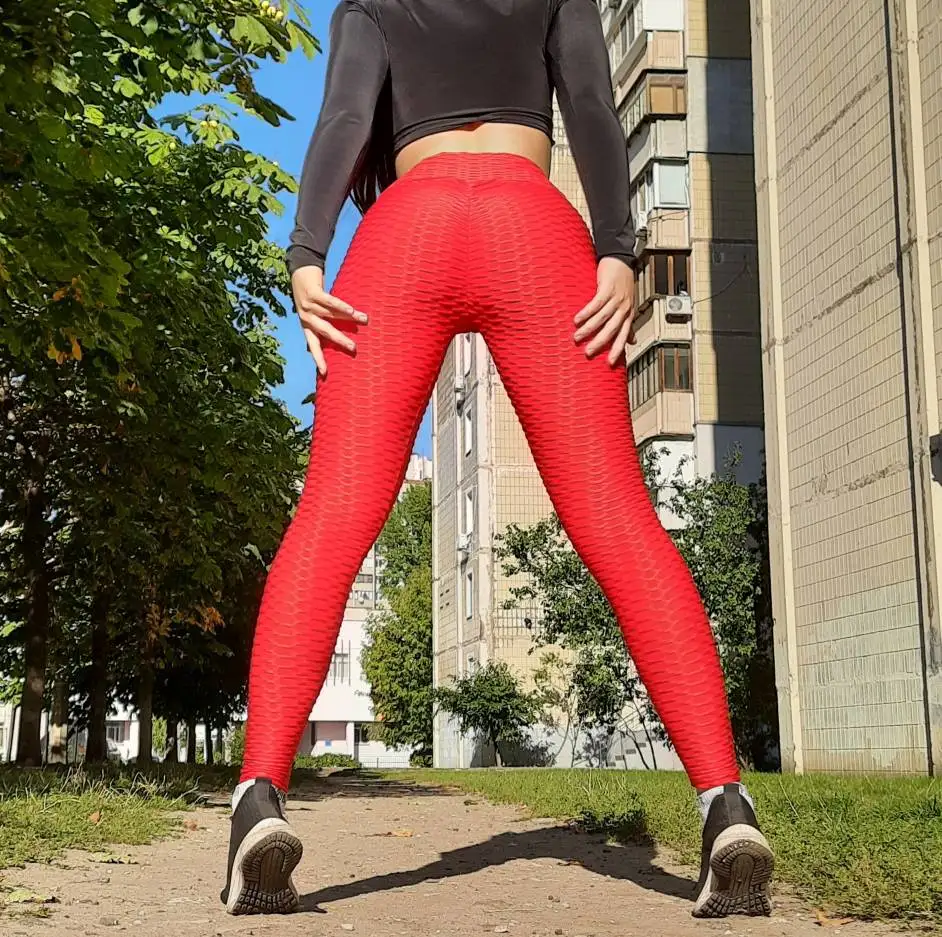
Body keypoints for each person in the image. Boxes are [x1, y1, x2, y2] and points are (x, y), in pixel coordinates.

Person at [220, 0, 774, 921]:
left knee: (333, 516)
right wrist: (617, 249)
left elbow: (347, 117)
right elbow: (591, 105)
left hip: (407, 231)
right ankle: (725, 802)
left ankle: (258, 800)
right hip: (534, 229)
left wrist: (307, 252)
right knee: (619, 520)